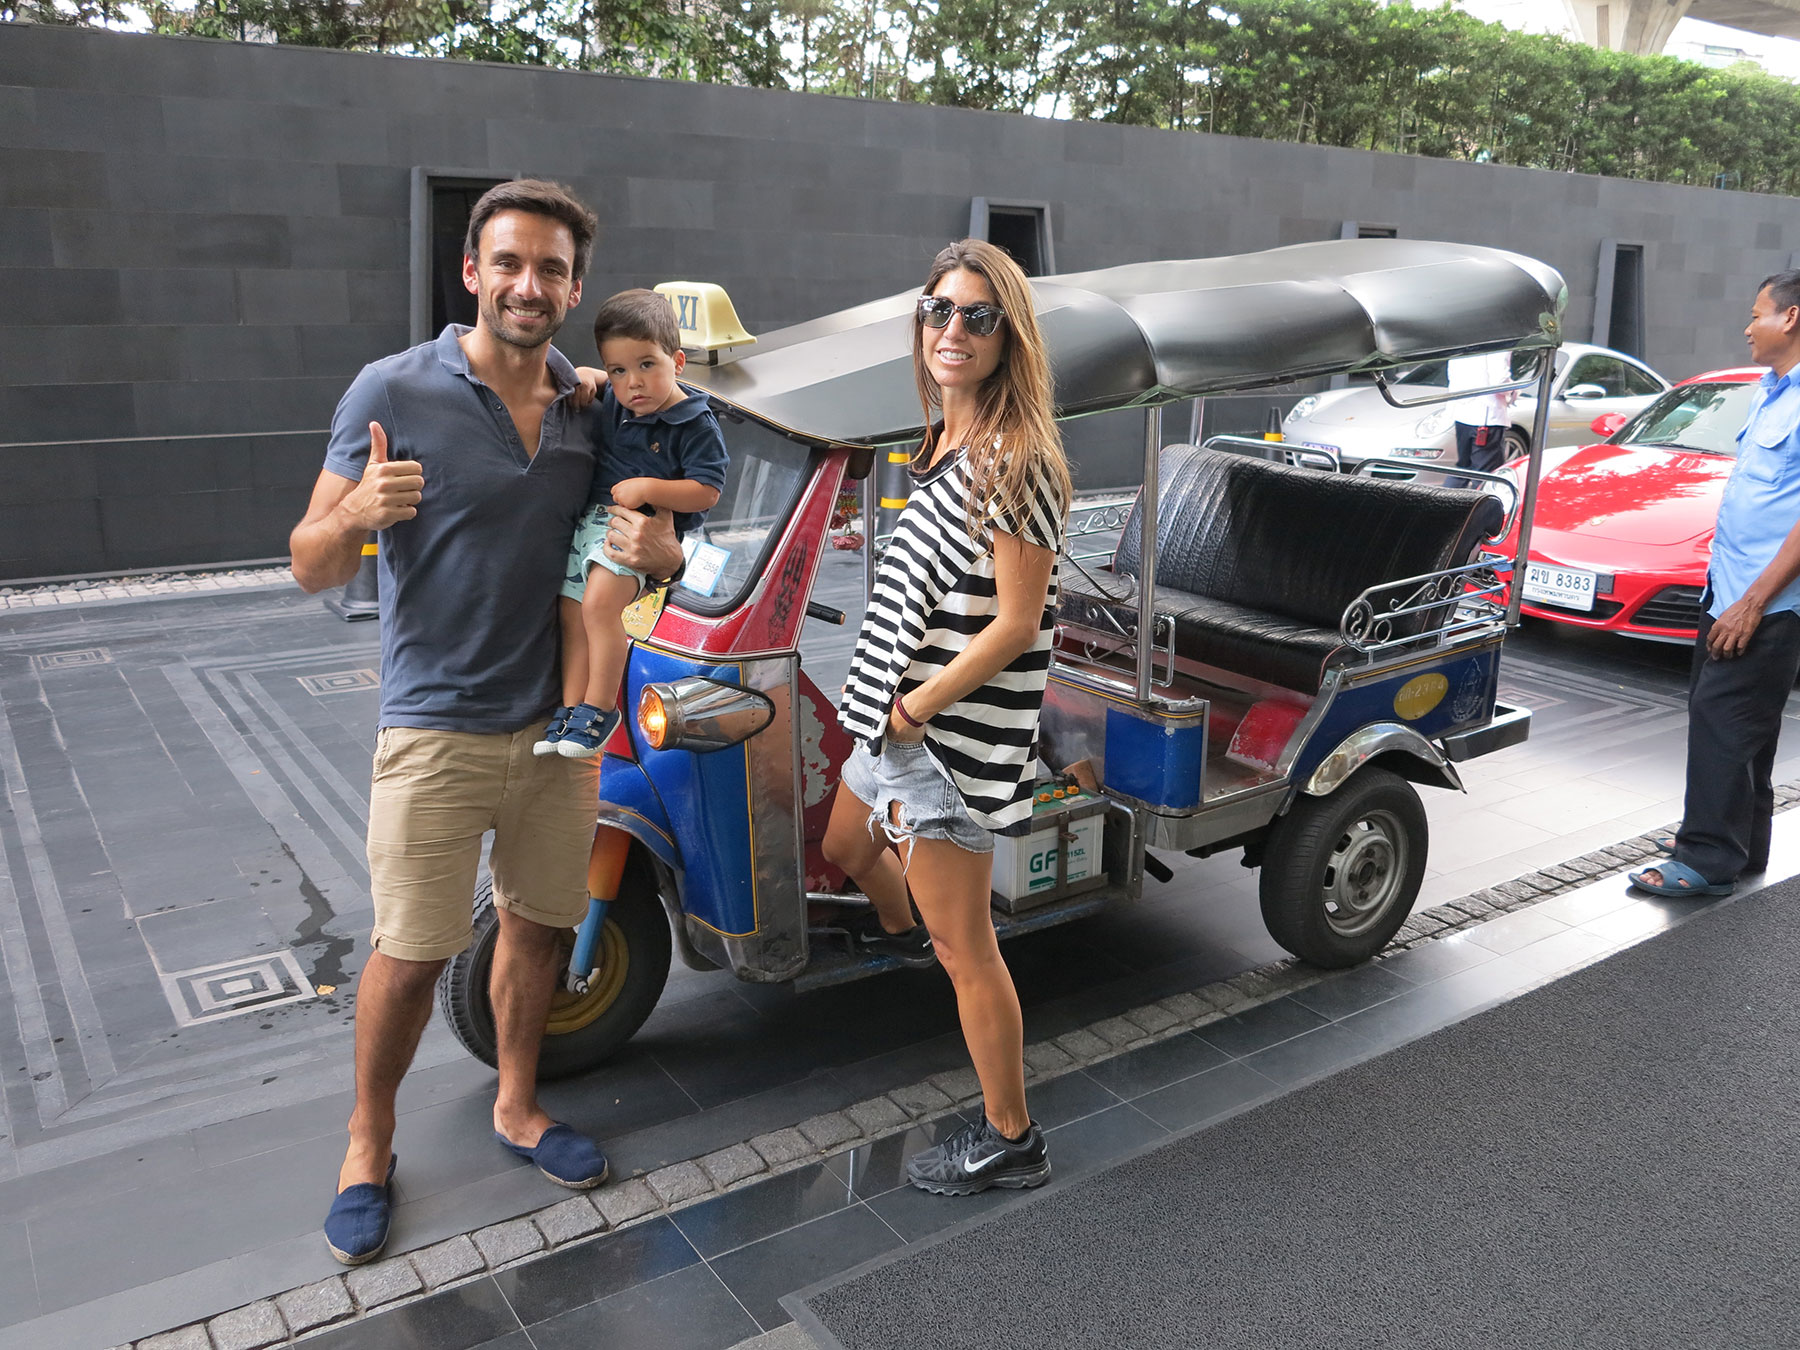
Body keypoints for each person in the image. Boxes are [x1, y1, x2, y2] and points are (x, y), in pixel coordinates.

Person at [289, 179, 685, 1266]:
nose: (527, 284)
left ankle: (518, 1103)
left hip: (559, 729)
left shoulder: (593, 404)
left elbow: (644, 539)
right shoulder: (392, 388)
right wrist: (357, 513)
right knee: (412, 952)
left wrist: (667, 555)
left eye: (551, 268)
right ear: (472, 272)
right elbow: (308, 562)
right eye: (508, 263)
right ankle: (368, 1142)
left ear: (574, 287)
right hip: (434, 728)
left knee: (538, 927)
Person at [822, 238, 1071, 1196]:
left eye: (978, 316)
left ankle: (1013, 1136)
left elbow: (1018, 621)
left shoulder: (1017, 458)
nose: (952, 329)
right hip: (887, 725)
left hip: (943, 746)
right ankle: (908, 931)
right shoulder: (938, 445)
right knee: (845, 843)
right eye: (938, 310)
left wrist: (915, 710)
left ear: (1010, 337)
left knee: (969, 951)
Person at [1629, 270, 1800, 898]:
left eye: (1756, 314)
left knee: (1724, 720)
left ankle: (1707, 858)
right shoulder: (1772, 391)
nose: (1747, 327)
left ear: (1791, 318)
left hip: (1766, 601)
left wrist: (1754, 602)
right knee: (1742, 724)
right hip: (1727, 587)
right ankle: (1740, 843)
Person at [535, 290, 728, 757]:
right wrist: (589, 375)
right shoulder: (621, 398)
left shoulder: (695, 422)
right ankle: (570, 712)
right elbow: (602, 378)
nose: (633, 383)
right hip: (592, 526)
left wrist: (650, 488)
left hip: (637, 529)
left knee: (600, 608)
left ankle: (600, 710)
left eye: (647, 365)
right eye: (619, 370)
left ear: (677, 362)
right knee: (571, 613)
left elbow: (707, 490)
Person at [1447, 349, 1516, 486]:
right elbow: (1500, 380)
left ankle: (1444, 499)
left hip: (1462, 411)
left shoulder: (1463, 340)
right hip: (1486, 415)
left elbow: (1452, 374)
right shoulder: (1498, 342)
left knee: (1462, 469)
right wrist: (1514, 391)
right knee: (1485, 475)